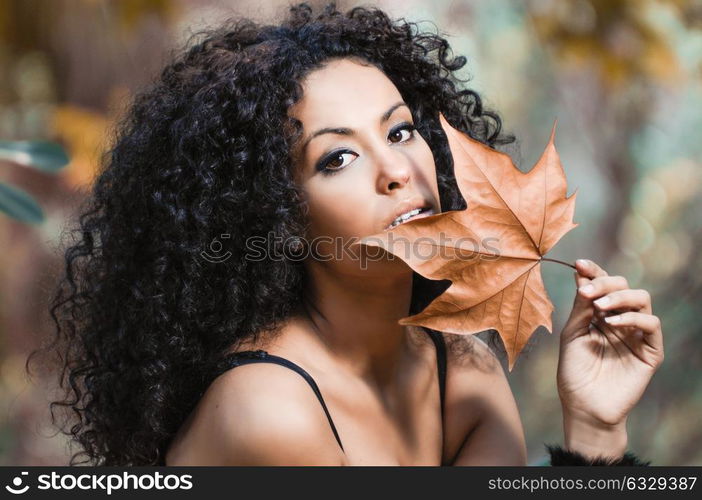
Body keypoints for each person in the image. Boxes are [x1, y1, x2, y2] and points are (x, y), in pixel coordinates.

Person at [31, 2, 663, 466]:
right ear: (279, 219)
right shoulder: (269, 411)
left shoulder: (462, 371)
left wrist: (596, 430)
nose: (396, 171)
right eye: (336, 158)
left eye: (400, 131)